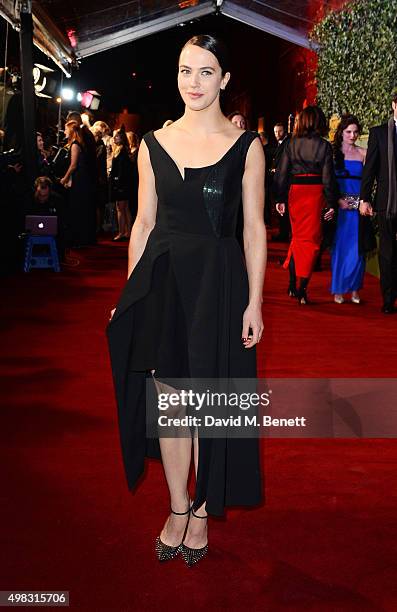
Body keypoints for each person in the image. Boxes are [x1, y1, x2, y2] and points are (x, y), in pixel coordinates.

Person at [107, 34, 266, 566]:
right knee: (171, 402)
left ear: (224, 79)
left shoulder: (247, 147)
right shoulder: (153, 143)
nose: (192, 83)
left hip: (220, 285)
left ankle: (201, 508)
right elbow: (144, 224)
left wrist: (256, 302)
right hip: (166, 282)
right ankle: (177, 505)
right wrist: (132, 292)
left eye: (204, 72)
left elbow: (253, 229)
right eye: (183, 71)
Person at [274, 106, 338, 304]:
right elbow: (328, 179)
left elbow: (281, 174)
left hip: (296, 194)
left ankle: (293, 284)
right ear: (319, 122)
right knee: (311, 244)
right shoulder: (324, 146)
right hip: (315, 194)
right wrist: (331, 203)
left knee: (298, 239)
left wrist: (280, 199)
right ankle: (301, 289)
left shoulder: (290, 144)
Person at [360, 92, 397, 314]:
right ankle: (389, 297)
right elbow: (370, 170)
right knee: (387, 251)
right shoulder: (379, 134)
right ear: (394, 105)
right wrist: (364, 199)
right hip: (386, 201)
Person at [331, 115, 367, 304]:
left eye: (355, 132)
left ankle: (354, 289)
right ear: (341, 133)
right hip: (341, 209)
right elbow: (328, 182)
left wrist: (364, 202)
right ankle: (338, 289)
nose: (352, 135)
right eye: (348, 132)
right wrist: (337, 200)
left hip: (358, 208)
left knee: (357, 251)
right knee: (341, 249)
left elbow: (369, 182)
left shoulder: (363, 153)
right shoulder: (333, 154)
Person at [60, 120, 97, 247]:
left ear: (71, 130)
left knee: (78, 207)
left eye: (65, 129)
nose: (64, 131)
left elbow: (73, 165)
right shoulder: (77, 144)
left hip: (80, 180)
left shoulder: (75, 145)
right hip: (81, 179)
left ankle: (80, 239)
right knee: (79, 207)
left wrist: (64, 179)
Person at [110, 127, 133, 241]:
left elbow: (121, 170)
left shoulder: (122, 151)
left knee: (120, 208)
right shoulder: (121, 150)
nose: (114, 138)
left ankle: (122, 232)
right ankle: (127, 232)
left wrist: (117, 182)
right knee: (125, 208)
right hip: (124, 183)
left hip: (121, 184)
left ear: (122, 138)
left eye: (117, 136)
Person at [271, 123, 291, 241]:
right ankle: (283, 232)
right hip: (278, 179)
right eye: (275, 132)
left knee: (283, 209)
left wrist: (277, 169)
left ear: (285, 132)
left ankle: (284, 234)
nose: (277, 134)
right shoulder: (279, 144)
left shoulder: (287, 143)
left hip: (284, 180)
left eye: (280, 131)